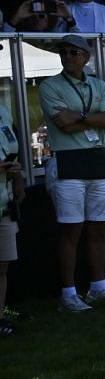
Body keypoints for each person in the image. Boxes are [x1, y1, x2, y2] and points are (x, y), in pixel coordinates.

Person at [38, 37, 105, 312]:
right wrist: (93, 117)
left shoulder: (98, 85)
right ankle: (68, 294)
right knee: (71, 231)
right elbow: (63, 125)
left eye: (73, 52)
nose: (67, 56)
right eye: (63, 52)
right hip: (67, 164)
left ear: (85, 57)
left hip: (95, 164)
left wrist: (78, 116)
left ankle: (98, 287)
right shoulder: (50, 86)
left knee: (99, 229)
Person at [0, 91, 23, 337]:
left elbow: (11, 149)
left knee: (2, 264)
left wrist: (17, 176)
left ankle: (0, 317)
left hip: (4, 200)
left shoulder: (3, 110)